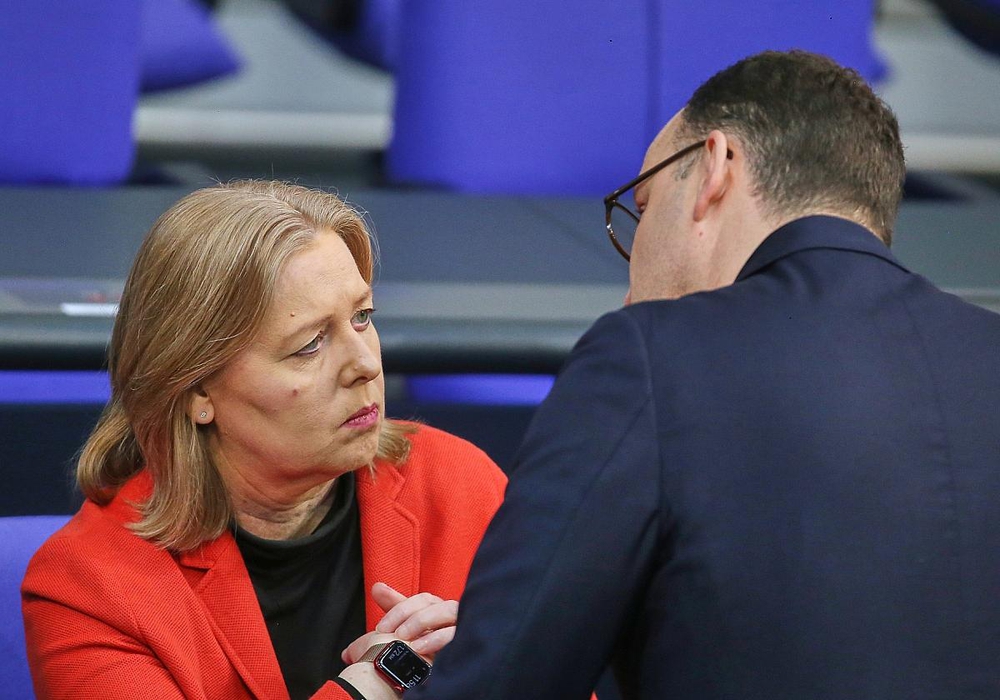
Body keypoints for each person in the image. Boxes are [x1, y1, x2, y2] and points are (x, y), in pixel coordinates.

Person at [341, 50, 1000, 699]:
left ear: (714, 168)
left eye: (645, 204)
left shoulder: (648, 356)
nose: (632, 277)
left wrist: (395, 672)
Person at [21, 181, 507, 699]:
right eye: (310, 344)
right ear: (196, 388)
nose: (365, 364)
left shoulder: (459, 483)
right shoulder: (90, 589)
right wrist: (378, 682)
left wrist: (503, 670)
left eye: (362, 317)